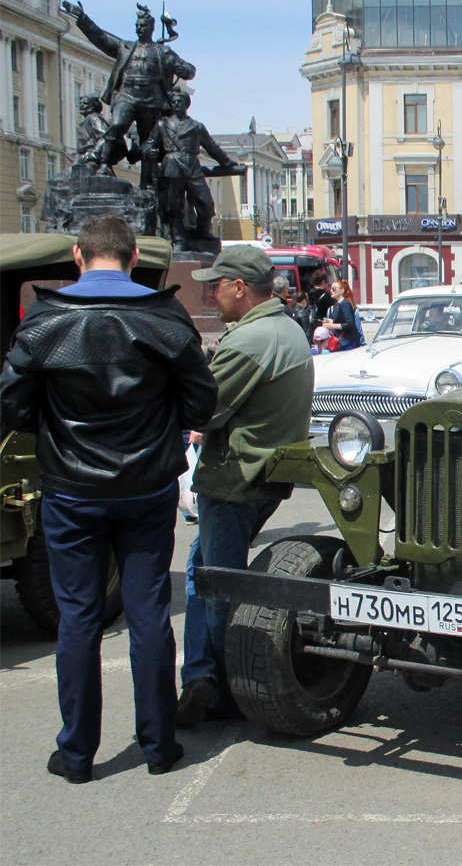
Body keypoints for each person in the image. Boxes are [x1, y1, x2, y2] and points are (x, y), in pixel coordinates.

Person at [0, 215, 217, 781]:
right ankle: (159, 746)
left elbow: (13, 404)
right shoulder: (163, 314)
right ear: (130, 257)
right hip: (144, 485)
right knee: (148, 614)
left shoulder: (48, 317)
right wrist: (166, 428)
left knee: (78, 618)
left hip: (71, 489)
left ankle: (76, 755)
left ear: (78, 256)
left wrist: (55, 432)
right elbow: (200, 398)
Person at [176, 246, 314, 728]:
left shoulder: (250, 340)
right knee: (205, 570)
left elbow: (202, 409)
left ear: (240, 288)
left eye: (216, 286)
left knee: (217, 584)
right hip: (262, 476)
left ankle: (217, 686)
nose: (211, 295)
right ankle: (202, 675)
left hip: (234, 479)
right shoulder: (286, 329)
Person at [62, 1, 196, 180]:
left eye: (143, 26)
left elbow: (188, 69)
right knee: (116, 125)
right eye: (138, 26)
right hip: (127, 95)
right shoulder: (125, 47)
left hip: (151, 98)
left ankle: (147, 181)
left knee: (149, 141)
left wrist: (185, 69)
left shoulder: (163, 52)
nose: (140, 29)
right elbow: (101, 39)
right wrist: (83, 19)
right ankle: (104, 164)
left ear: (151, 28)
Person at [142, 89, 239, 250]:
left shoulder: (196, 126)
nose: (177, 104)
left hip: (192, 167)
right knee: (174, 207)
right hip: (171, 166)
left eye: (180, 102)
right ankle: (179, 241)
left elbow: (211, 147)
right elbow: (148, 144)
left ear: (187, 104)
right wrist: (149, 151)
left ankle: (202, 232)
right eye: (174, 102)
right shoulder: (162, 125)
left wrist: (226, 162)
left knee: (206, 204)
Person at [322, 279, 362, 350]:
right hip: (343, 342)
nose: (331, 290)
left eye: (334, 288)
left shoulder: (345, 304)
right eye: (330, 288)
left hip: (348, 342)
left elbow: (349, 323)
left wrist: (331, 325)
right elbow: (342, 321)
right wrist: (331, 321)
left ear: (342, 290)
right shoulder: (337, 305)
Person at [306, 269, 334, 337]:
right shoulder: (326, 295)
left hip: (311, 322)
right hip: (323, 323)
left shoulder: (308, 294)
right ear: (323, 281)